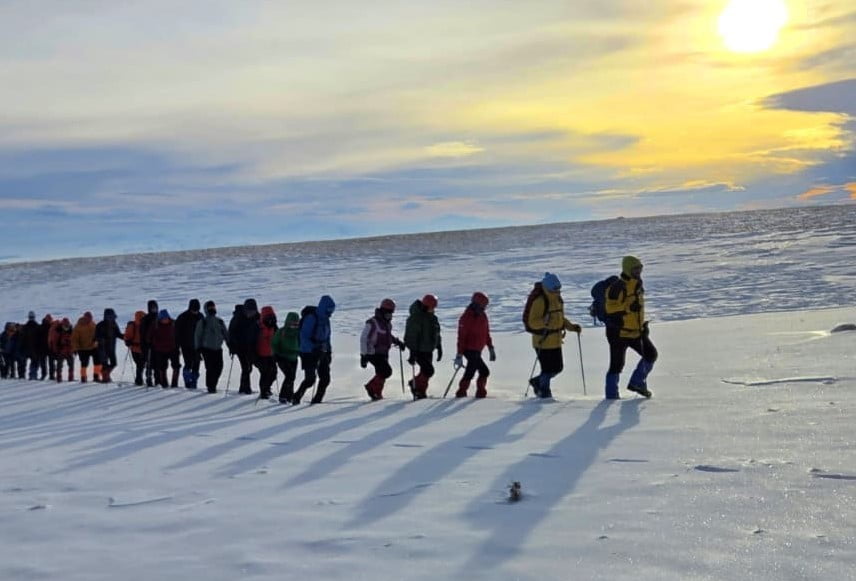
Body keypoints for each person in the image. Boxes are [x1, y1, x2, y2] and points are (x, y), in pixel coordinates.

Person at [604, 256, 657, 399]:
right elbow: (610, 309)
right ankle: (611, 397)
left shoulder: (638, 284)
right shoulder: (617, 287)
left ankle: (637, 382)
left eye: (640, 268)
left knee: (651, 355)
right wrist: (628, 306)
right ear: (627, 269)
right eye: (635, 268)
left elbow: (637, 309)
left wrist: (642, 325)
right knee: (616, 366)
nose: (639, 271)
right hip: (618, 333)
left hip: (635, 332)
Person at [526, 272, 582, 399]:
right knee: (547, 369)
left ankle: (537, 382)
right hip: (542, 341)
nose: (558, 291)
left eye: (559, 288)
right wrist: (543, 322)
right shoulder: (540, 301)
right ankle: (544, 393)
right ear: (548, 287)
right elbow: (532, 322)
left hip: (556, 340)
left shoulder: (557, 300)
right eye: (555, 288)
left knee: (558, 368)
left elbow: (560, 318)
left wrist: (572, 327)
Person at [292, 295, 336, 404]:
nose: (330, 313)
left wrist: (329, 351)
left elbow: (327, 337)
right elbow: (303, 337)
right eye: (329, 310)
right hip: (308, 352)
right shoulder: (311, 318)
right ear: (323, 308)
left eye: (332, 310)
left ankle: (317, 401)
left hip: (322, 351)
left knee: (325, 378)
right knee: (310, 380)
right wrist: (314, 348)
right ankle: (296, 397)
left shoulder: (326, 320)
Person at [360, 298, 405, 401]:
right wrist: (363, 355)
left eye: (392, 312)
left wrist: (398, 342)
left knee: (381, 373)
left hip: (384, 352)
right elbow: (363, 338)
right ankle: (371, 387)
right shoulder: (372, 322)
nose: (390, 314)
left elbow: (388, 336)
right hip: (373, 353)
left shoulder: (387, 324)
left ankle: (377, 393)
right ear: (383, 311)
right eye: (389, 312)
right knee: (386, 371)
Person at [454, 292, 496, 398]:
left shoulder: (483, 316)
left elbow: (486, 333)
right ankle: (467, 393)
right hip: (469, 349)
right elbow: (461, 337)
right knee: (482, 371)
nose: (485, 308)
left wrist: (490, 347)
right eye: (483, 305)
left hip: (477, 349)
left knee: (476, 371)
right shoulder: (466, 317)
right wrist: (459, 354)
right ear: (477, 304)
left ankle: (468, 392)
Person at [404, 294, 442, 400]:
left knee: (425, 372)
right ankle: (414, 385)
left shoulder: (433, 318)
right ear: (425, 306)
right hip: (418, 350)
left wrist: (438, 345)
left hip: (428, 349)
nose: (433, 309)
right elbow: (411, 336)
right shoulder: (416, 317)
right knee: (428, 370)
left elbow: (437, 332)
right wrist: (412, 352)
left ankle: (421, 391)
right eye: (431, 307)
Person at [194, 300, 229, 393]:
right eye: (210, 308)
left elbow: (226, 334)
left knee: (219, 368)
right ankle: (210, 386)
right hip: (207, 349)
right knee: (210, 368)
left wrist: (230, 345)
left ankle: (213, 384)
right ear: (206, 310)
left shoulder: (220, 321)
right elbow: (197, 335)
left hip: (218, 349)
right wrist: (197, 349)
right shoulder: (203, 321)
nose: (212, 309)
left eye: (213, 307)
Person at [228, 299, 260, 395]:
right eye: (249, 311)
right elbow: (231, 333)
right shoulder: (238, 317)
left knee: (249, 367)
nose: (251, 313)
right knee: (246, 367)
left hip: (252, 347)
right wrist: (232, 346)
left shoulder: (258, 317)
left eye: (253, 311)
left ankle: (244, 388)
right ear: (245, 310)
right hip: (240, 347)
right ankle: (245, 389)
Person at [272, 311, 300, 403]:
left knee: (292, 377)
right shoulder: (281, 332)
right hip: (282, 357)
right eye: (293, 324)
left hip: (294, 358)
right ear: (288, 322)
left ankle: (289, 396)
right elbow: (274, 344)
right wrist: (276, 354)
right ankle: (283, 396)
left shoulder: (298, 333)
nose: (294, 326)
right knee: (289, 376)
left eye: (296, 324)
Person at [175, 299, 203, 389]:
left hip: (198, 346)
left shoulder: (200, 316)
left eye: (197, 310)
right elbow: (177, 332)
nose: (195, 311)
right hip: (186, 345)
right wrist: (177, 346)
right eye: (194, 309)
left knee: (197, 364)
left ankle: (194, 382)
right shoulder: (182, 317)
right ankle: (187, 381)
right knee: (188, 364)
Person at [149, 309, 180, 388]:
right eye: (163, 318)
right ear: (160, 318)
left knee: (176, 366)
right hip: (160, 350)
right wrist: (153, 342)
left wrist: (177, 345)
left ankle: (174, 383)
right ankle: (164, 384)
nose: (165, 320)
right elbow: (149, 336)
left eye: (166, 318)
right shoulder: (155, 325)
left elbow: (179, 335)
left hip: (172, 348)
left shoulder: (173, 323)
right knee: (162, 367)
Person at [255, 305, 278, 399]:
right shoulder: (258, 327)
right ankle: (264, 392)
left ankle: (267, 388)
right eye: (268, 317)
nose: (270, 319)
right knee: (264, 373)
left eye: (272, 317)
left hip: (271, 354)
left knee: (273, 373)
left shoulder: (274, 327)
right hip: (261, 355)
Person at [95, 308, 123, 383]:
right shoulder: (100, 325)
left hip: (112, 347)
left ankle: (106, 375)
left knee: (114, 363)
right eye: (111, 316)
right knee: (105, 364)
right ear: (107, 316)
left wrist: (125, 338)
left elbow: (118, 334)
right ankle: (105, 378)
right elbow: (97, 336)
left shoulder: (114, 324)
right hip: (102, 348)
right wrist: (102, 341)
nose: (113, 318)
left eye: (113, 317)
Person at [71, 311, 99, 383]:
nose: (90, 319)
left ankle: (96, 377)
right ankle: (83, 377)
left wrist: (97, 342)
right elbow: (74, 339)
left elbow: (97, 334)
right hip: (82, 348)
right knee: (84, 364)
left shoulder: (93, 324)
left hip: (93, 347)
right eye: (89, 318)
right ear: (85, 318)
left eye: (91, 317)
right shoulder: (78, 326)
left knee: (97, 362)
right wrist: (75, 348)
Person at [139, 300, 159, 387]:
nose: (154, 309)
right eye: (152, 308)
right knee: (149, 363)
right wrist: (145, 343)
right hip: (147, 345)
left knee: (157, 363)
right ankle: (148, 379)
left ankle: (158, 380)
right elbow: (142, 333)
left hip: (157, 344)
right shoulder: (145, 319)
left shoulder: (159, 317)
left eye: (155, 308)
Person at [124, 311, 146, 385]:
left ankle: (139, 380)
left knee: (140, 364)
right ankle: (139, 380)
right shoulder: (141, 325)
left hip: (135, 348)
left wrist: (128, 343)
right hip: (140, 348)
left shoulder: (132, 325)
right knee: (141, 364)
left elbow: (127, 336)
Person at [19, 311, 41, 380]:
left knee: (23, 363)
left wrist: (21, 348)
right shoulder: (38, 327)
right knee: (34, 363)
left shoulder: (25, 327)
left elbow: (21, 338)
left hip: (26, 348)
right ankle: (33, 375)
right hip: (35, 349)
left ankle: (22, 375)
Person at [51, 318, 75, 382]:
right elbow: (55, 342)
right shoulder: (58, 331)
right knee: (59, 365)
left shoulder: (71, 331)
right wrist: (56, 350)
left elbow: (74, 341)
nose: (66, 327)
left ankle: (70, 377)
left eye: (67, 325)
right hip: (61, 351)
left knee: (71, 365)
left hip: (69, 351)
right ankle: (59, 377)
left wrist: (74, 349)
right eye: (65, 325)